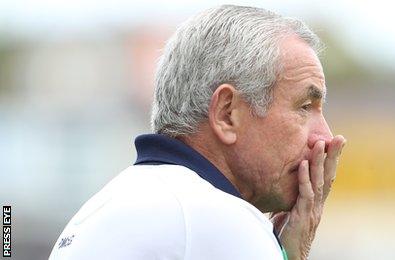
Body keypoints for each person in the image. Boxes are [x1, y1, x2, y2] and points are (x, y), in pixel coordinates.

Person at [49, 5, 346, 260]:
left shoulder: (110, 202)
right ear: (227, 114)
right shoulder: (220, 219)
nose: (324, 136)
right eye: (305, 106)